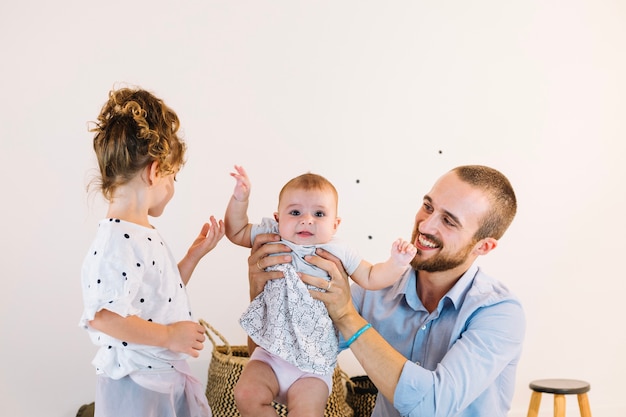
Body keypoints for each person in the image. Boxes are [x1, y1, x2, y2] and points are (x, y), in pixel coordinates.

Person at [248, 165, 525, 417]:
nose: (425, 226)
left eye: (449, 221)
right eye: (428, 207)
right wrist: (261, 289)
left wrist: (346, 315)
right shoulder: (374, 291)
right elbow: (280, 356)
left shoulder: (499, 313)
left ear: (483, 246)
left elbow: (430, 407)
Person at [79, 87, 225, 417]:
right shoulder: (116, 242)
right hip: (135, 382)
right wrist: (170, 335)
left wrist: (192, 257)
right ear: (155, 171)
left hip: (156, 377)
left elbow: (157, 295)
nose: (171, 188)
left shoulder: (139, 233)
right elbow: (103, 316)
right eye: (173, 178)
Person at [225, 165, 416, 417]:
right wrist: (241, 199)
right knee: (246, 395)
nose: (307, 220)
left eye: (319, 213)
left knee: (306, 412)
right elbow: (236, 231)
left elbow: (370, 277)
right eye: (295, 212)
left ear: (335, 224)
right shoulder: (273, 235)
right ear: (278, 217)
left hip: (313, 366)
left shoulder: (339, 251)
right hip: (269, 355)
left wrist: (397, 263)